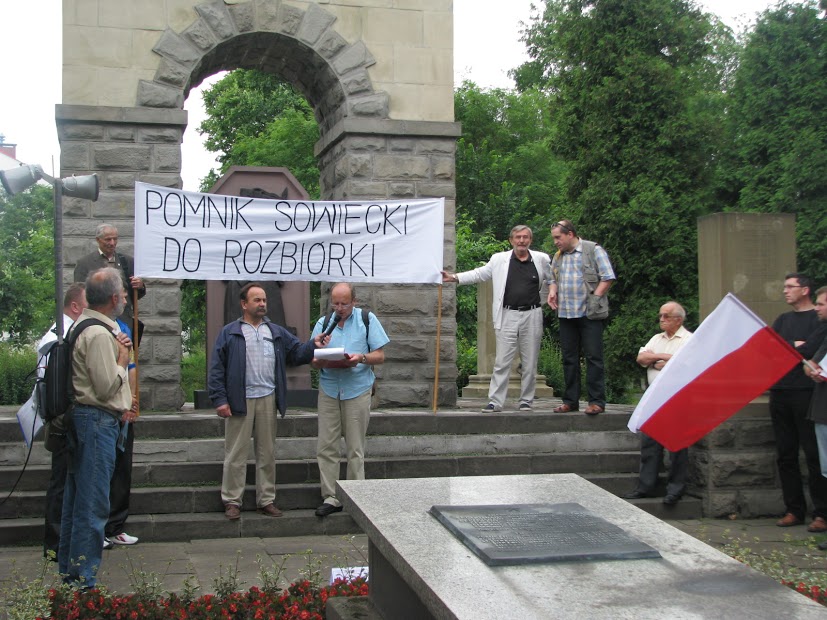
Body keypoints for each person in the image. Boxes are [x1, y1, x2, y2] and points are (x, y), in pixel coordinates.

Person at [208, 283, 328, 520]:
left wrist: (313, 345)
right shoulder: (230, 332)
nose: (262, 304)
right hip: (239, 401)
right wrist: (220, 399)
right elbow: (216, 368)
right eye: (257, 300)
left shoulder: (275, 331)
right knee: (236, 454)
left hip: (267, 399)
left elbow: (297, 352)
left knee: (267, 453)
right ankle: (232, 501)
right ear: (244, 304)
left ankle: (266, 500)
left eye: (264, 300)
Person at [59, 268, 136, 588]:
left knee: (77, 503)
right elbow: (106, 387)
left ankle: (71, 572)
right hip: (97, 422)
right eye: (123, 295)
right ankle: (83, 581)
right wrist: (122, 357)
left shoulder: (83, 326)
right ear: (115, 299)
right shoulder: (99, 334)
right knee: (92, 506)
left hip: (87, 421)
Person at [442, 225, 550, 412]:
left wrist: (543, 302)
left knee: (530, 361)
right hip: (507, 314)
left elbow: (550, 282)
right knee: (502, 361)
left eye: (525, 237)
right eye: (518, 237)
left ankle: (526, 400)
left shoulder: (541, 259)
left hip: (532, 314)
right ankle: (495, 401)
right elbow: (480, 273)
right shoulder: (499, 259)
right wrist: (454, 277)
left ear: (530, 240)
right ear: (511, 240)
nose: (521, 241)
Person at [310, 283, 390, 517]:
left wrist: (361, 357)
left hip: (357, 388)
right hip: (329, 388)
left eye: (344, 303)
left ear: (354, 301)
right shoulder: (324, 323)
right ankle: (331, 496)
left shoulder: (366, 319)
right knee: (326, 446)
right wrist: (319, 355)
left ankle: (356, 497)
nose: (340, 308)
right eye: (335, 303)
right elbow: (312, 361)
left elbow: (380, 355)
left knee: (355, 447)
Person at [769, 273, 827, 532]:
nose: (785, 291)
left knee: (814, 456)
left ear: (804, 290)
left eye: (790, 287)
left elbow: (810, 351)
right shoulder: (783, 319)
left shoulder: (819, 320)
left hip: (807, 394)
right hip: (780, 391)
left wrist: (792, 348)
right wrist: (793, 346)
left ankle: (821, 512)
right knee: (785, 454)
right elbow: (772, 349)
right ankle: (794, 509)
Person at [623, 301, 693, 505]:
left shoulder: (688, 339)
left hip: (676, 397)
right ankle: (645, 486)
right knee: (650, 443)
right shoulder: (656, 338)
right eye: (660, 316)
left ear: (678, 319)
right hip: (654, 397)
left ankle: (675, 490)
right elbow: (641, 358)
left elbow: (685, 363)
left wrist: (658, 359)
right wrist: (663, 358)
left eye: (666, 316)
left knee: (676, 445)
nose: (661, 319)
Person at [547, 220, 615, 415]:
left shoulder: (593, 250)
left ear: (570, 234)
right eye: (554, 238)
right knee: (569, 358)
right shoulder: (558, 256)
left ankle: (596, 402)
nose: (556, 242)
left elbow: (608, 276)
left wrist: (596, 298)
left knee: (594, 357)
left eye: (558, 237)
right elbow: (552, 279)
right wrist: (552, 291)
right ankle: (570, 401)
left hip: (589, 313)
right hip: (566, 313)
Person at [74, 223, 146, 326]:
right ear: (98, 240)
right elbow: (80, 294)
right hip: (97, 321)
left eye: (115, 239)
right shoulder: (85, 264)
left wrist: (140, 286)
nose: (112, 243)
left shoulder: (127, 261)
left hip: (124, 321)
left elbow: (135, 295)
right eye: (108, 239)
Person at [803, 286, 827, 551]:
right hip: (822, 409)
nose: (817, 308)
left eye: (821, 304)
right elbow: (812, 359)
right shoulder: (824, 332)